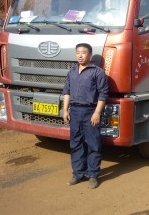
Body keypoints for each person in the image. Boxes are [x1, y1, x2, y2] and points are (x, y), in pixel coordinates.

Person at [62, 43, 109, 189]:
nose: (80, 55)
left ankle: (93, 175)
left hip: (90, 112)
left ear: (89, 55)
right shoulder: (72, 72)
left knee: (93, 144)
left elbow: (103, 94)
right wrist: (65, 110)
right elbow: (66, 92)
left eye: (83, 53)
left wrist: (97, 112)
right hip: (75, 112)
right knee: (76, 144)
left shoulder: (98, 72)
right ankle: (77, 174)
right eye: (78, 53)